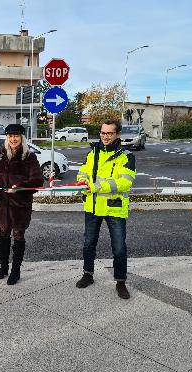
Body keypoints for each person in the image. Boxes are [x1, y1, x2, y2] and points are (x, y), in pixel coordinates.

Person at [75, 119, 136, 299]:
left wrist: (96, 186)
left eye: (109, 133)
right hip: (93, 206)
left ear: (118, 134)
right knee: (88, 244)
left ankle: (121, 281)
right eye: (103, 133)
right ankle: (88, 275)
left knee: (119, 248)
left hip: (114, 208)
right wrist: (81, 182)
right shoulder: (93, 152)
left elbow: (125, 183)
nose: (105, 136)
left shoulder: (126, 156)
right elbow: (83, 172)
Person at [0, 124, 43, 285]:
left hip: (20, 205)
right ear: (7, 138)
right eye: (10, 136)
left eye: (16, 136)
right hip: (3, 203)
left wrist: (21, 187)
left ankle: (15, 271)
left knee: (18, 235)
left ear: (22, 138)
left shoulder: (29, 157)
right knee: (3, 234)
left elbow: (37, 180)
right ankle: (3, 267)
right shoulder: (1, 154)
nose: (13, 139)